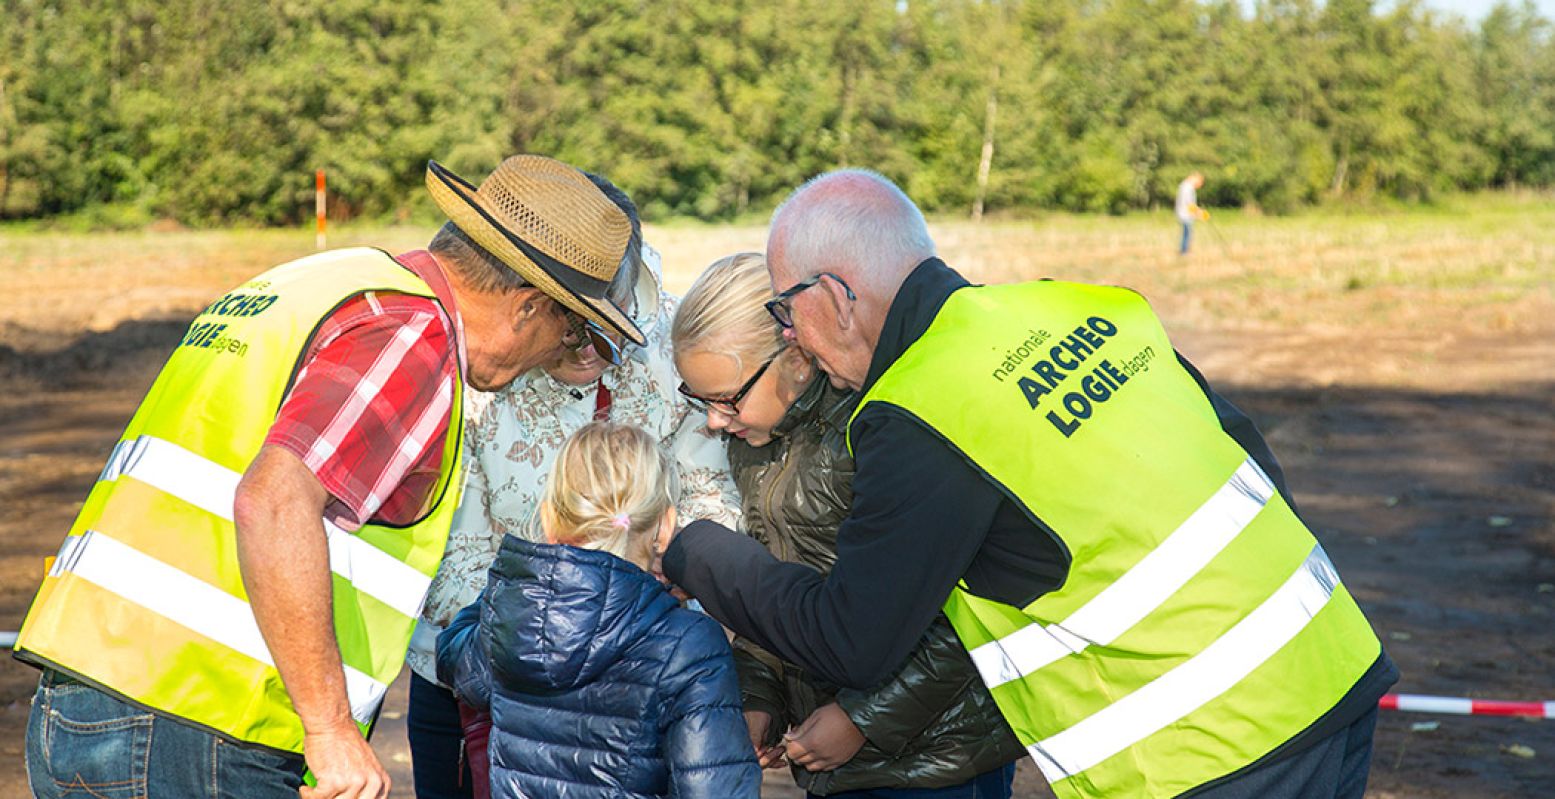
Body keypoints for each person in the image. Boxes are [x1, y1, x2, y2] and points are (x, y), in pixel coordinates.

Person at [663, 169, 1398, 799]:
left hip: (1207, 743)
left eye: (784, 312)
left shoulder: (919, 407)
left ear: (835, 294)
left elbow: (851, 638)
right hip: (1329, 671)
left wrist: (695, 551)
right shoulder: (1079, 308)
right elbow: (1248, 459)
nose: (788, 333)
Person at [15, 154, 643, 799]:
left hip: (97, 696)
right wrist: (331, 728)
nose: (561, 356)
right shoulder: (412, 334)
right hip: (201, 720)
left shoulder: (318, 283)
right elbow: (274, 501)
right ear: (528, 306)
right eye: (573, 331)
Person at [403, 172, 741, 799]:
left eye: (605, 324)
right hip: (476, 686)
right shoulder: (480, 358)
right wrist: (540, 635)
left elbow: (711, 498)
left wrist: (633, 630)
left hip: (635, 686)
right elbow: (452, 544)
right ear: (534, 301)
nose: (586, 346)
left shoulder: (674, 347)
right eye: (572, 323)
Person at [671, 252, 1025, 798]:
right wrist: (760, 691)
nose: (715, 422)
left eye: (726, 399)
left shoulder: (884, 436)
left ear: (796, 357)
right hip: (837, 761)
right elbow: (777, 586)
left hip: (939, 760)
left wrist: (863, 718)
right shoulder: (756, 443)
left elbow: (972, 606)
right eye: (699, 401)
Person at [436, 422, 761, 799]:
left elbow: (453, 658)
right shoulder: (688, 643)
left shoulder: (511, 622)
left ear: (547, 519)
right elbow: (713, 788)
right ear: (666, 525)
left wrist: (508, 591)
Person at [1176, 171, 1207, 255]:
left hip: (1185, 214)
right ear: (1196, 179)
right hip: (1185, 215)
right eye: (1199, 183)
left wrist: (1197, 212)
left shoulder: (1185, 186)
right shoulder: (1187, 187)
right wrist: (1199, 212)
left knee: (1187, 233)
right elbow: (1189, 203)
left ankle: (1184, 251)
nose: (1199, 185)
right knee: (1187, 233)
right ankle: (1184, 252)